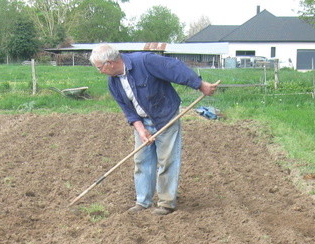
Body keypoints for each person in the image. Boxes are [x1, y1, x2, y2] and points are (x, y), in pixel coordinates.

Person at [89, 44, 218, 215]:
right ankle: (143, 202)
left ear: (110, 63)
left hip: (165, 116)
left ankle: (166, 203)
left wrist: (199, 84)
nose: (100, 72)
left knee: (167, 160)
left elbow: (174, 68)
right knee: (142, 161)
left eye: (100, 67)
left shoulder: (144, 61)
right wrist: (141, 130)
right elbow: (127, 110)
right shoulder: (113, 83)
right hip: (142, 122)